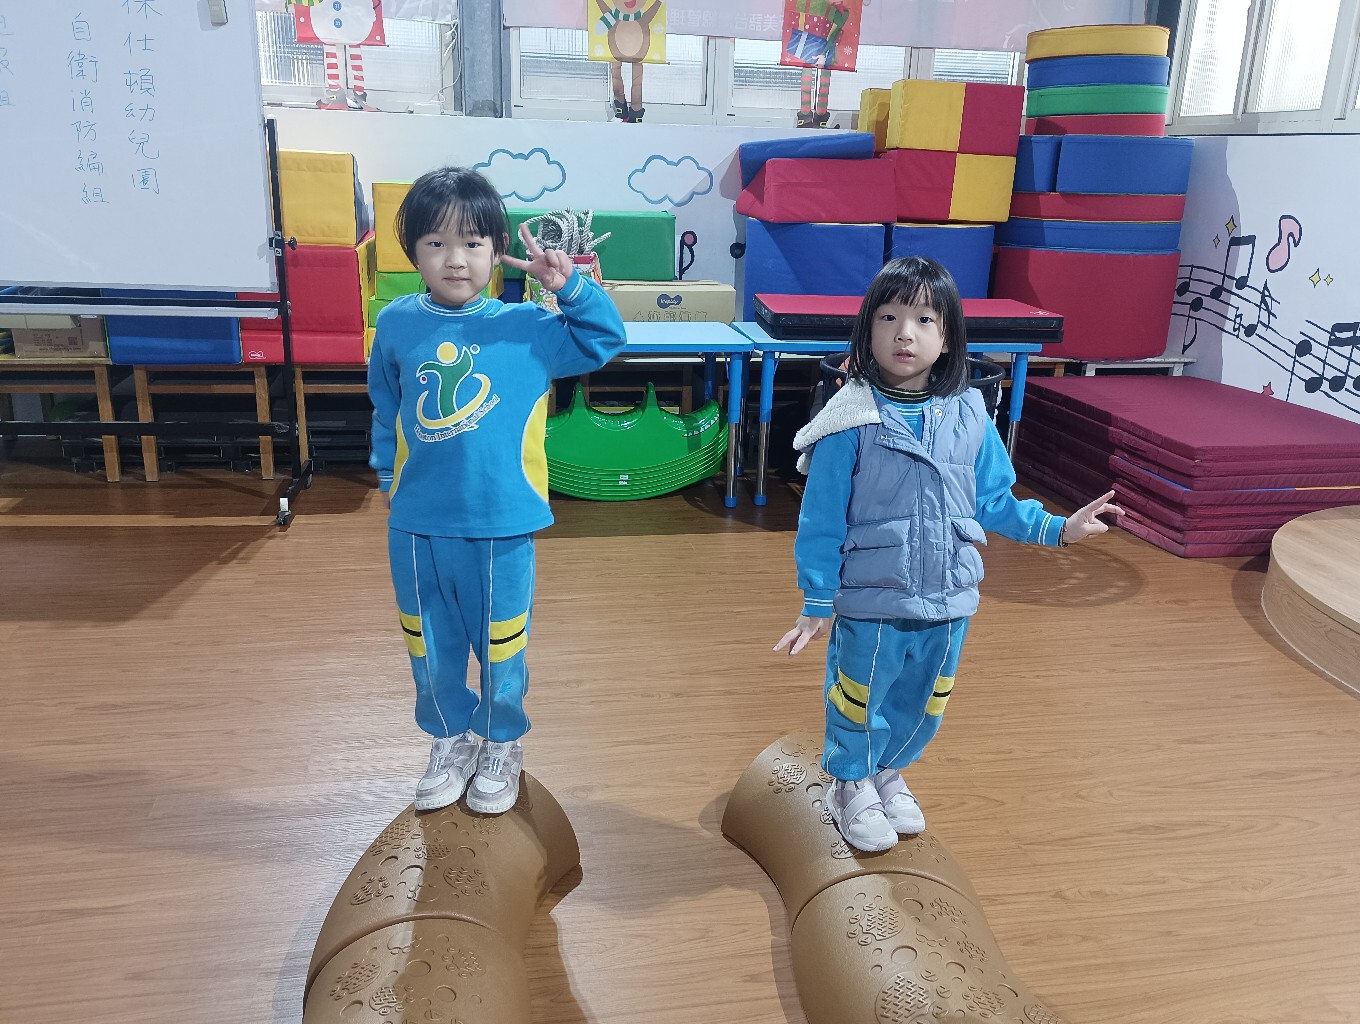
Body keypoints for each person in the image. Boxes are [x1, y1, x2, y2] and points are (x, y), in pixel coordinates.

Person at [773, 256, 1122, 852]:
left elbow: (994, 500)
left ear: (948, 337)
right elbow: (821, 519)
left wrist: (1060, 529)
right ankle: (850, 782)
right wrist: (818, 600)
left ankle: (887, 771)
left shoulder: (970, 414)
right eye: (888, 317)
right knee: (859, 698)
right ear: (867, 330)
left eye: (924, 320)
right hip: (874, 599)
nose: (904, 334)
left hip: (950, 598)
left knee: (923, 702)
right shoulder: (849, 420)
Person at [368, 166, 627, 815]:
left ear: (497, 249)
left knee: (501, 643)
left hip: (503, 524)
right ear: (412, 251)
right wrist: (387, 479)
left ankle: (500, 742)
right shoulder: (395, 324)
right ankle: (449, 739)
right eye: (436, 243)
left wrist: (570, 286)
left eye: (472, 243)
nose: (455, 259)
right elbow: (384, 407)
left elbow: (605, 339)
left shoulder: (529, 328)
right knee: (428, 644)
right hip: (418, 525)